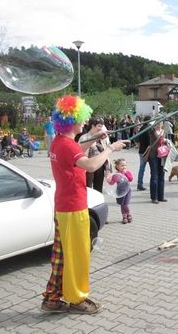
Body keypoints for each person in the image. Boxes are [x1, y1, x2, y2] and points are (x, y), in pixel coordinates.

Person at [41, 94, 127, 314]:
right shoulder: (67, 146)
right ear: (73, 120)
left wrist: (95, 137)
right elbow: (90, 165)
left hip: (64, 206)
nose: (84, 121)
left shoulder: (60, 142)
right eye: (81, 118)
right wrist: (110, 149)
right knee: (78, 256)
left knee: (62, 256)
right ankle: (77, 299)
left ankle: (52, 298)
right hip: (73, 207)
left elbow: (77, 148)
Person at [86, 117, 110, 193]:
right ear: (92, 126)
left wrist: (108, 168)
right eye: (99, 126)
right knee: (88, 189)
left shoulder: (102, 138)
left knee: (98, 189)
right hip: (88, 167)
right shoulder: (85, 137)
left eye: (102, 126)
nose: (101, 128)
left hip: (100, 166)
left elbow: (106, 152)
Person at [147, 121, 167, 204]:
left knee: (162, 176)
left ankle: (160, 196)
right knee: (154, 176)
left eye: (161, 122)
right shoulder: (152, 130)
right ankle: (154, 197)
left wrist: (165, 141)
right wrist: (154, 120)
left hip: (162, 155)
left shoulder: (163, 131)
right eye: (158, 122)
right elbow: (148, 125)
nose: (159, 124)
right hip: (153, 155)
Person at [111, 158, 134, 224]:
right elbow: (112, 182)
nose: (124, 167)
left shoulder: (127, 172)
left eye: (125, 165)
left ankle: (128, 214)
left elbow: (131, 179)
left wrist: (126, 173)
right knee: (122, 204)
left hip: (127, 190)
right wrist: (108, 178)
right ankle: (124, 217)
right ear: (117, 166)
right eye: (122, 165)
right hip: (120, 191)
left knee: (125, 204)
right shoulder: (116, 174)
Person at [135, 115, 151, 191]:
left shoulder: (141, 128)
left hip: (141, 150)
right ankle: (150, 183)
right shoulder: (148, 129)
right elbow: (149, 142)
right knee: (152, 168)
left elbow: (137, 138)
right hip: (147, 151)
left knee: (141, 168)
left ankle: (139, 184)